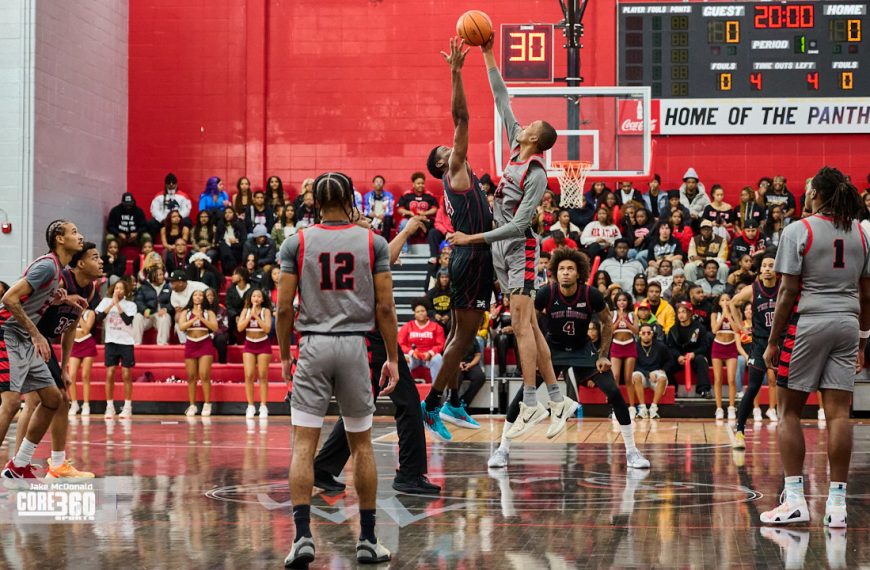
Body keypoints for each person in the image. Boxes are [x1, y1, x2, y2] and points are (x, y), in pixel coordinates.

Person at [448, 34, 576, 439]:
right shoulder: (516, 145)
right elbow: (502, 98)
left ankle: (532, 403)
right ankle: (558, 397)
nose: (526, 122)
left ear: (535, 138)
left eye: (533, 125)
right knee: (532, 328)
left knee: (521, 326)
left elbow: (521, 226)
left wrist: (473, 239)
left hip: (519, 248)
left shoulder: (536, 173)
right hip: (502, 249)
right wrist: (487, 54)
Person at [277, 172, 397, 565]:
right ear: (350, 200)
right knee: (361, 445)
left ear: (313, 204)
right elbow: (384, 308)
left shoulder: (297, 241)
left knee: (303, 445)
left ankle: (301, 538)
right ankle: (367, 539)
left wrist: (283, 356)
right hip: (353, 346)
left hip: (312, 344)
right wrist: (392, 358)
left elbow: (282, 308)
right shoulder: (372, 241)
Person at [758, 167, 869, 527]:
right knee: (839, 414)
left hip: (808, 324)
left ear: (817, 195)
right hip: (848, 325)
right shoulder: (862, 234)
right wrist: (864, 341)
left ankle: (794, 500)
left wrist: (773, 340)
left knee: (788, 411)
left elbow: (788, 291)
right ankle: (837, 506)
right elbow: (867, 295)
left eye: (807, 190)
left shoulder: (798, 230)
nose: (803, 194)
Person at [488, 247, 649, 469]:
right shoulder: (546, 293)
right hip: (551, 349)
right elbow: (527, 323)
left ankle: (632, 451)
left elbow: (607, 323)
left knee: (613, 392)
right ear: (555, 271)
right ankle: (502, 449)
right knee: (524, 395)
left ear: (579, 273)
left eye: (570, 269)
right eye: (562, 268)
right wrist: (535, 352)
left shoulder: (591, 294)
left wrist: (603, 355)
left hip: (583, 348)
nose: (565, 272)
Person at [313, 216, 440, 496]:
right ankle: (409, 473)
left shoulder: (346, 250)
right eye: (361, 217)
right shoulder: (357, 248)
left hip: (362, 335)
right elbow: (384, 261)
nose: (369, 220)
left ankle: (322, 468)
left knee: (362, 406)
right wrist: (407, 230)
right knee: (407, 403)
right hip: (373, 338)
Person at [419, 40, 498, 440]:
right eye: (444, 149)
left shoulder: (464, 179)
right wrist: (455, 72)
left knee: (458, 335)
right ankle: (431, 406)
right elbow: (462, 116)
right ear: (440, 162)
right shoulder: (455, 168)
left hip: (474, 258)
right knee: (464, 337)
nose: (451, 145)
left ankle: (451, 401)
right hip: (471, 258)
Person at [0, 221, 84, 480]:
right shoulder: (48, 265)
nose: (79, 237)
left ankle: (19, 464)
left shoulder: (57, 270)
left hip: (24, 338)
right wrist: (37, 334)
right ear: (59, 239)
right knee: (11, 403)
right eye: (74, 233)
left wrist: (61, 299)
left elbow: (33, 300)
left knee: (53, 399)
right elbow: (9, 299)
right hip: (8, 333)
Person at [14, 241, 100, 479]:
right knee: (36, 403)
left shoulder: (89, 288)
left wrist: (64, 366)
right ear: (80, 263)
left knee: (60, 401)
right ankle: (18, 465)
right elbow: (30, 302)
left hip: (46, 345)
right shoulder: (60, 279)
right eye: (95, 257)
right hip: (30, 339)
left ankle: (53, 464)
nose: (101, 261)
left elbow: (70, 328)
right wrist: (58, 299)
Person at [95, 280, 137, 419]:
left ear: (126, 291)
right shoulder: (106, 302)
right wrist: (111, 304)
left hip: (126, 342)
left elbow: (127, 320)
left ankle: (127, 406)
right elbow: (99, 318)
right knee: (110, 373)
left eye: (121, 289)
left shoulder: (131, 305)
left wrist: (117, 304)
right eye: (116, 288)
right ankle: (110, 406)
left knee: (126, 374)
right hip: (111, 342)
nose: (118, 290)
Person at [179, 289, 217, 417]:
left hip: (204, 343)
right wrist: (195, 318)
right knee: (191, 377)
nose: (198, 297)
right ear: (192, 298)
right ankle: (192, 405)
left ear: (203, 298)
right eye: (195, 295)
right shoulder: (186, 312)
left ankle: (207, 404)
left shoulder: (209, 312)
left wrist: (201, 318)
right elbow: (182, 327)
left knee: (204, 375)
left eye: (201, 295)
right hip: (190, 343)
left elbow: (214, 327)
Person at [667, 302, 712, 398]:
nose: (681, 315)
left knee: (701, 360)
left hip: (695, 356)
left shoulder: (700, 328)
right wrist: (678, 356)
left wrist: (694, 354)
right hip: (679, 357)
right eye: (679, 312)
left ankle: (704, 390)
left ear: (690, 313)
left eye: (683, 312)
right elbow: (671, 348)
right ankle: (673, 389)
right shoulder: (673, 329)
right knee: (666, 363)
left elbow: (704, 347)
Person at [238, 288, 272, 418]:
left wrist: (256, 316)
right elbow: (240, 328)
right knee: (249, 375)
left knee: (263, 375)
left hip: (263, 343)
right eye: (254, 296)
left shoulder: (266, 311)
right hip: (249, 343)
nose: (256, 298)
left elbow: (267, 329)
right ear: (250, 299)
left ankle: (263, 406)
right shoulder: (245, 311)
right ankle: (250, 406)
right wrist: (250, 315)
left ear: (262, 299)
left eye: (258, 296)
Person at [398, 300, 445, 385]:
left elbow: (440, 344)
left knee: (438, 358)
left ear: (427, 312)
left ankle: (436, 391)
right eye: (417, 311)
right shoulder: (407, 326)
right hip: (413, 356)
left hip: (428, 357)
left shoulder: (436, 327)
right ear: (414, 314)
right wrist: (411, 352)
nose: (420, 313)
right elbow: (401, 344)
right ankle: (404, 391)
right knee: (402, 360)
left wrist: (430, 353)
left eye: (422, 311)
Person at [633, 323, 671, 419]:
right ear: (639, 334)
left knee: (662, 378)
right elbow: (633, 366)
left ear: (652, 334)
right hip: (642, 374)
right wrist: (648, 374)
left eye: (648, 333)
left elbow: (670, 360)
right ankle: (643, 408)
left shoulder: (660, 346)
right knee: (635, 376)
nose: (646, 335)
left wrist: (663, 370)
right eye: (643, 333)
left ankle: (653, 407)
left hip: (656, 373)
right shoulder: (634, 347)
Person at [710, 293, 738, 420]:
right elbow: (714, 330)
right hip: (718, 346)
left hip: (731, 347)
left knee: (731, 379)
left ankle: (731, 407)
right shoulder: (715, 314)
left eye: (728, 299)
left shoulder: (736, 312)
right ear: (719, 303)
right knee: (718, 379)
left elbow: (737, 329)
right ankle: (719, 408)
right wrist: (723, 315)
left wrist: (729, 315)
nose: (725, 302)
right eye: (722, 300)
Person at [611, 291, 639, 413]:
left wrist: (626, 321)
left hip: (629, 345)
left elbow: (636, 331)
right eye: (619, 300)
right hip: (616, 345)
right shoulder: (612, 314)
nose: (621, 302)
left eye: (624, 300)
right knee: (615, 377)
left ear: (628, 302)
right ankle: (616, 407)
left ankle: (632, 407)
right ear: (616, 302)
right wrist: (619, 320)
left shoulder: (633, 315)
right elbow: (610, 330)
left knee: (628, 378)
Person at [133, 266, 173, 345]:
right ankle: (136, 344)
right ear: (152, 276)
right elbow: (138, 301)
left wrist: (166, 309)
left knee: (165, 317)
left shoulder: (169, 287)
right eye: (158, 275)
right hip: (148, 315)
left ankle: (162, 344)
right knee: (137, 317)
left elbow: (174, 303)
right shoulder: (144, 287)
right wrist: (144, 310)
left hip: (160, 315)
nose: (162, 277)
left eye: (162, 274)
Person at [168, 270, 209, 342]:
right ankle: (184, 343)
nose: (171, 285)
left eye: (173, 283)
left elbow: (210, 302)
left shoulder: (199, 287)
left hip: (202, 314)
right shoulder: (174, 293)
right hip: (187, 316)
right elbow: (178, 312)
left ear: (180, 283)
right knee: (178, 320)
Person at [148, 173, 192, 237]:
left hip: (178, 220)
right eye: (169, 183)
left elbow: (186, 210)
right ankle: (151, 244)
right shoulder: (158, 196)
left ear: (176, 184)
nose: (171, 184)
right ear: (165, 184)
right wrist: (163, 219)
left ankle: (183, 243)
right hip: (163, 220)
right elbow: (154, 210)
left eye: (173, 183)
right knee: (151, 223)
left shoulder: (183, 196)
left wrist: (177, 218)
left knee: (187, 221)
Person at [216, 206, 246, 275]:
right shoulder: (220, 226)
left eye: (230, 212)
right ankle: (231, 270)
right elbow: (217, 241)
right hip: (223, 249)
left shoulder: (240, 225)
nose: (227, 214)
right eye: (225, 212)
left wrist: (234, 243)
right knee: (223, 245)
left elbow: (243, 242)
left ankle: (226, 274)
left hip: (236, 249)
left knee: (227, 254)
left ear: (234, 214)